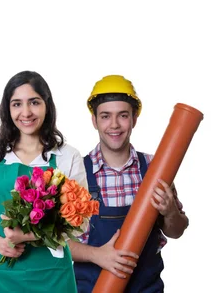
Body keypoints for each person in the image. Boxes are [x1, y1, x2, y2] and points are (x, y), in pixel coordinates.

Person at [0, 71, 88, 293]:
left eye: (34, 102)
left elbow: (81, 222)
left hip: (54, 276)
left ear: (47, 105)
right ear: (7, 109)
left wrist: (30, 235)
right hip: (6, 276)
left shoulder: (67, 157)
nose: (26, 112)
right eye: (17, 104)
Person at [70, 75, 189, 292]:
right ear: (94, 120)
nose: (114, 125)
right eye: (105, 116)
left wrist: (170, 212)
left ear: (134, 119)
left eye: (123, 115)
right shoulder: (76, 173)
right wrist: (97, 255)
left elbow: (176, 231)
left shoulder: (157, 168)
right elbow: (55, 244)